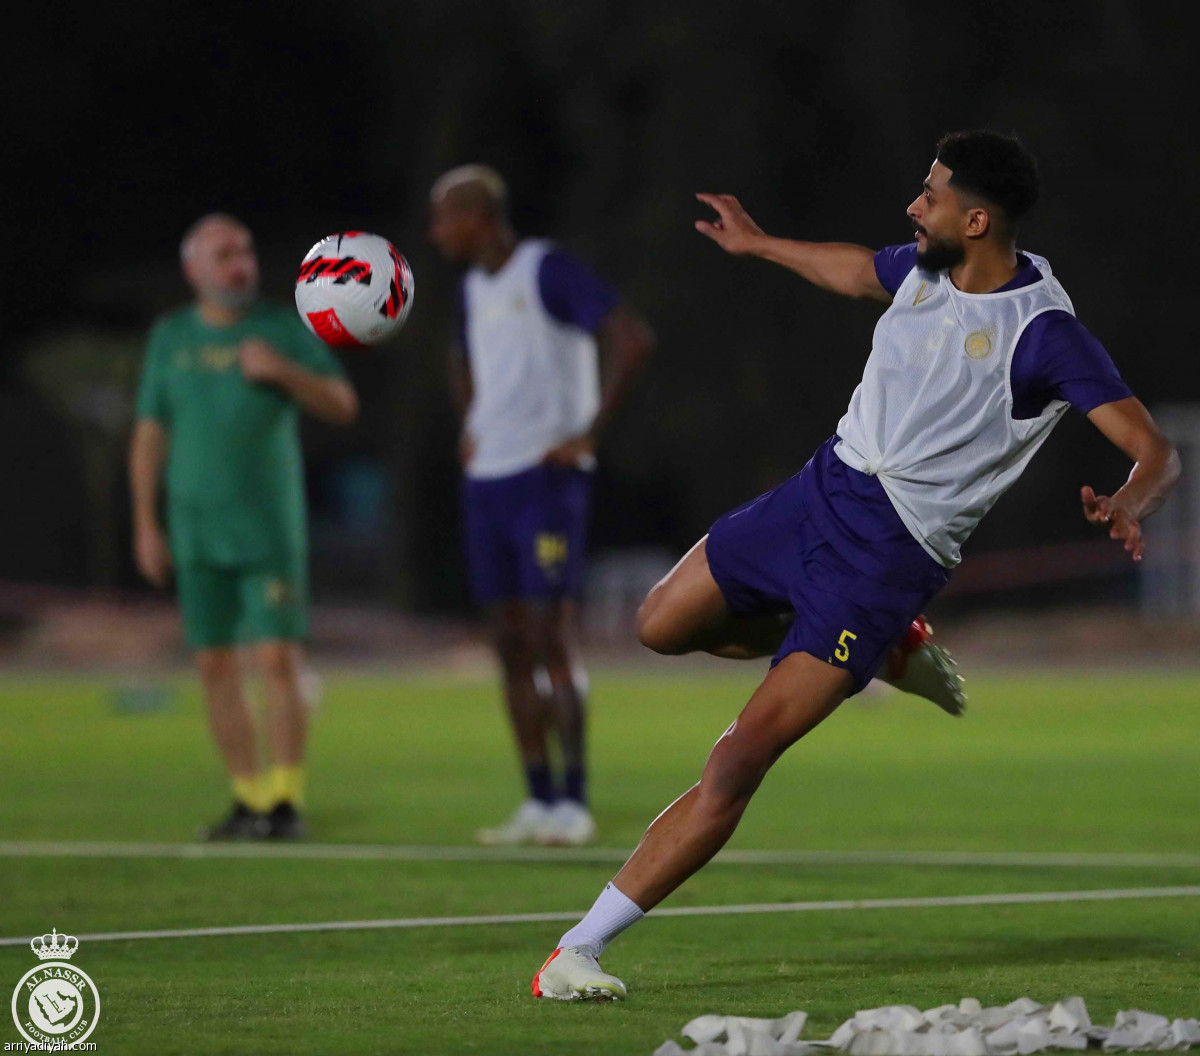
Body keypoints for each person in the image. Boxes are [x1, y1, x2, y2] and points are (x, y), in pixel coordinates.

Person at [531, 130, 1180, 999]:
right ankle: (885, 654)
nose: (915, 206)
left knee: (736, 761)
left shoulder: (1043, 334)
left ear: (976, 219)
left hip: (884, 560)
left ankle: (578, 950)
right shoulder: (925, 265)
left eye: (932, 195)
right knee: (657, 624)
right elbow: (850, 271)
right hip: (817, 490)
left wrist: (1132, 499)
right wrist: (759, 243)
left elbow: (1154, 449)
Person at [427, 165, 655, 846]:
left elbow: (631, 337)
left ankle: (574, 802)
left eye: (445, 217)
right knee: (506, 641)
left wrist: (587, 430)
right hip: (488, 481)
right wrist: (471, 424)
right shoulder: (473, 287)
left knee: (553, 633)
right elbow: (459, 357)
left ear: (480, 217)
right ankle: (537, 797)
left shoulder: (544, 269)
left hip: (547, 482)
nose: (436, 232)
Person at [130, 213, 359, 840]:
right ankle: (247, 796)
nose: (241, 263)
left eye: (246, 250)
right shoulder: (170, 337)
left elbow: (343, 405)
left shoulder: (282, 329)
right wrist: (146, 524)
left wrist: (283, 371)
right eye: (225, 253)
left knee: (278, 660)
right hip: (195, 531)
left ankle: (286, 800)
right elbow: (150, 433)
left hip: (268, 532)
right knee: (214, 667)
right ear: (193, 270)